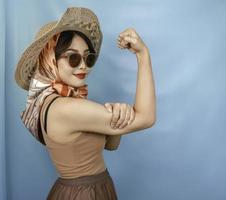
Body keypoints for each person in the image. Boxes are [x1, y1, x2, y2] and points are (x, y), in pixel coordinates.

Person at [15, 7, 156, 200]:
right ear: (50, 59)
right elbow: (147, 118)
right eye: (73, 57)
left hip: (92, 190)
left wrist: (118, 113)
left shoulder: (61, 102)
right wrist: (143, 54)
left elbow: (110, 145)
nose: (83, 65)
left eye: (88, 57)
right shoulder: (64, 108)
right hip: (84, 194)